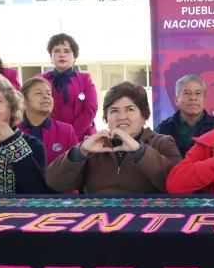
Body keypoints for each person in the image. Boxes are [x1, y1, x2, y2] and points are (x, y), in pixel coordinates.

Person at [46, 82, 181, 194]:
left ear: (144, 115)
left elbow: (177, 185)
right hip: (98, 216)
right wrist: (80, 152)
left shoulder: (162, 142)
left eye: (130, 109)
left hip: (146, 216)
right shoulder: (94, 145)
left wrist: (140, 152)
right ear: (106, 117)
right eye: (114, 111)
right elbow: (56, 183)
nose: (121, 117)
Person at [42, 33, 97, 142]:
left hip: (81, 137)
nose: (62, 55)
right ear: (51, 57)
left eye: (67, 51)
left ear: (74, 57)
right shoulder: (40, 79)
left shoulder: (85, 79)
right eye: (56, 51)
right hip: (49, 137)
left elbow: (90, 109)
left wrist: (69, 134)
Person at [155, 74, 214, 158]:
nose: (193, 98)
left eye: (198, 93)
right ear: (176, 100)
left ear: (204, 99)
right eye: (187, 93)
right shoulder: (162, 129)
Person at [18, 77, 78, 165]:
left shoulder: (66, 131)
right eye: (38, 93)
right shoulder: (12, 132)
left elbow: (75, 166)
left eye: (49, 93)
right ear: (23, 101)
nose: (46, 96)